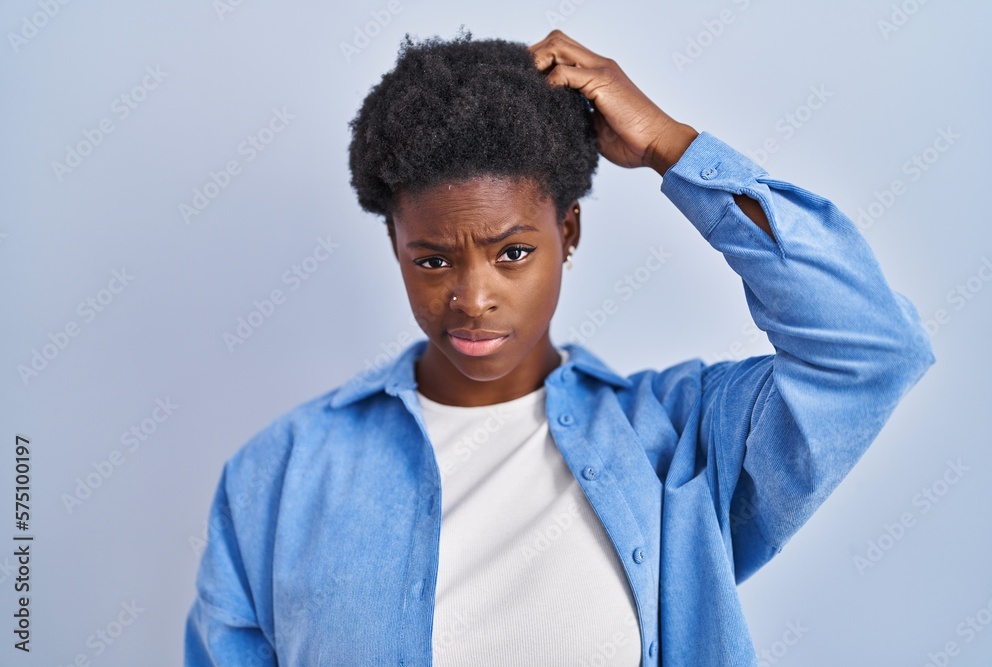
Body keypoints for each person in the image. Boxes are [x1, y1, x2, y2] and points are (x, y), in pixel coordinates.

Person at [184, 29, 934, 666]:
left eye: (512, 253)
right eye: (433, 259)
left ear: (566, 233)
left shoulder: (676, 444)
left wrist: (673, 147)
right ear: (394, 243)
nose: (473, 297)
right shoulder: (276, 476)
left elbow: (871, 347)